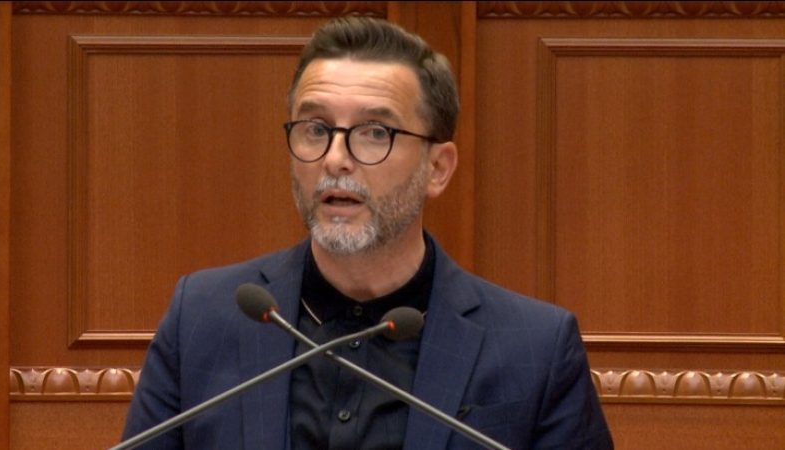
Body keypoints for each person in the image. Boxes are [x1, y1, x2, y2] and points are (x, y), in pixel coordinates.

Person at [121, 16, 613, 450]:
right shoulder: (203, 319)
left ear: (438, 168)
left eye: (376, 132)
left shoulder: (536, 349)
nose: (335, 158)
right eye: (316, 128)